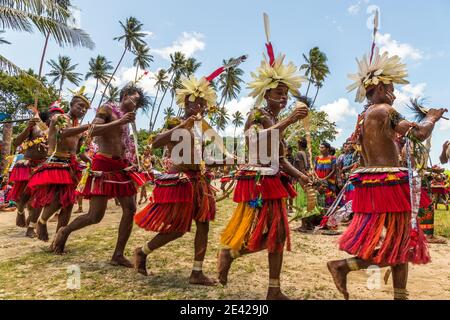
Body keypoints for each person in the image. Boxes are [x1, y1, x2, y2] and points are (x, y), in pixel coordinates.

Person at [327, 45, 447, 300]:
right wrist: (433, 117)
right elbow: (419, 133)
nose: (394, 94)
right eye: (391, 88)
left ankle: (400, 296)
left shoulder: (364, 116)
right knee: (399, 245)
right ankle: (342, 266)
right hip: (388, 186)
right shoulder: (384, 111)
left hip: (376, 183)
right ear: (380, 88)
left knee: (400, 242)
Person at [217, 27, 310, 300]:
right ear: (266, 94)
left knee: (278, 235)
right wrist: (289, 121)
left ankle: (273, 290)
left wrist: (301, 176)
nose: (283, 98)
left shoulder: (275, 120)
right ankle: (229, 253)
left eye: (286, 94)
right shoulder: (256, 114)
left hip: (274, 180)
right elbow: (254, 143)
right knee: (261, 232)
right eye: (278, 93)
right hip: (257, 182)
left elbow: (279, 160)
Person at [132, 61, 242, 286]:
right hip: (180, 183)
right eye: (194, 103)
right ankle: (142, 252)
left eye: (202, 104)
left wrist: (228, 160)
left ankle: (196, 272)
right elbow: (155, 143)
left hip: (198, 181)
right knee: (178, 229)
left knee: (204, 224)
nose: (198, 108)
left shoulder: (201, 129)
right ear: (185, 103)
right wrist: (184, 123)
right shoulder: (177, 123)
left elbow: (201, 159)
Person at [52, 84, 145, 268]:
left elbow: (123, 143)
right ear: (124, 95)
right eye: (133, 100)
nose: (135, 105)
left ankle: (118, 254)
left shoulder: (128, 120)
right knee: (95, 216)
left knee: (131, 208)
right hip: (103, 163)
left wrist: (131, 159)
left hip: (121, 166)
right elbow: (92, 130)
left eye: (138, 104)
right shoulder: (107, 108)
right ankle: (65, 231)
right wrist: (119, 122)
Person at [28, 91, 90, 242]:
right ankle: (41, 222)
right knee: (58, 199)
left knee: (68, 204)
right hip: (56, 161)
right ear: (71, 105)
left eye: (85, 109)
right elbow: (63, 134)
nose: (82, 110)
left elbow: (80, 151)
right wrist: (87, 127)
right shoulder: (59, 118)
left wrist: (90, 161)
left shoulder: (80, 128)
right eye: (80, 106)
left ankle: (58, 239)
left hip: (71, 165)